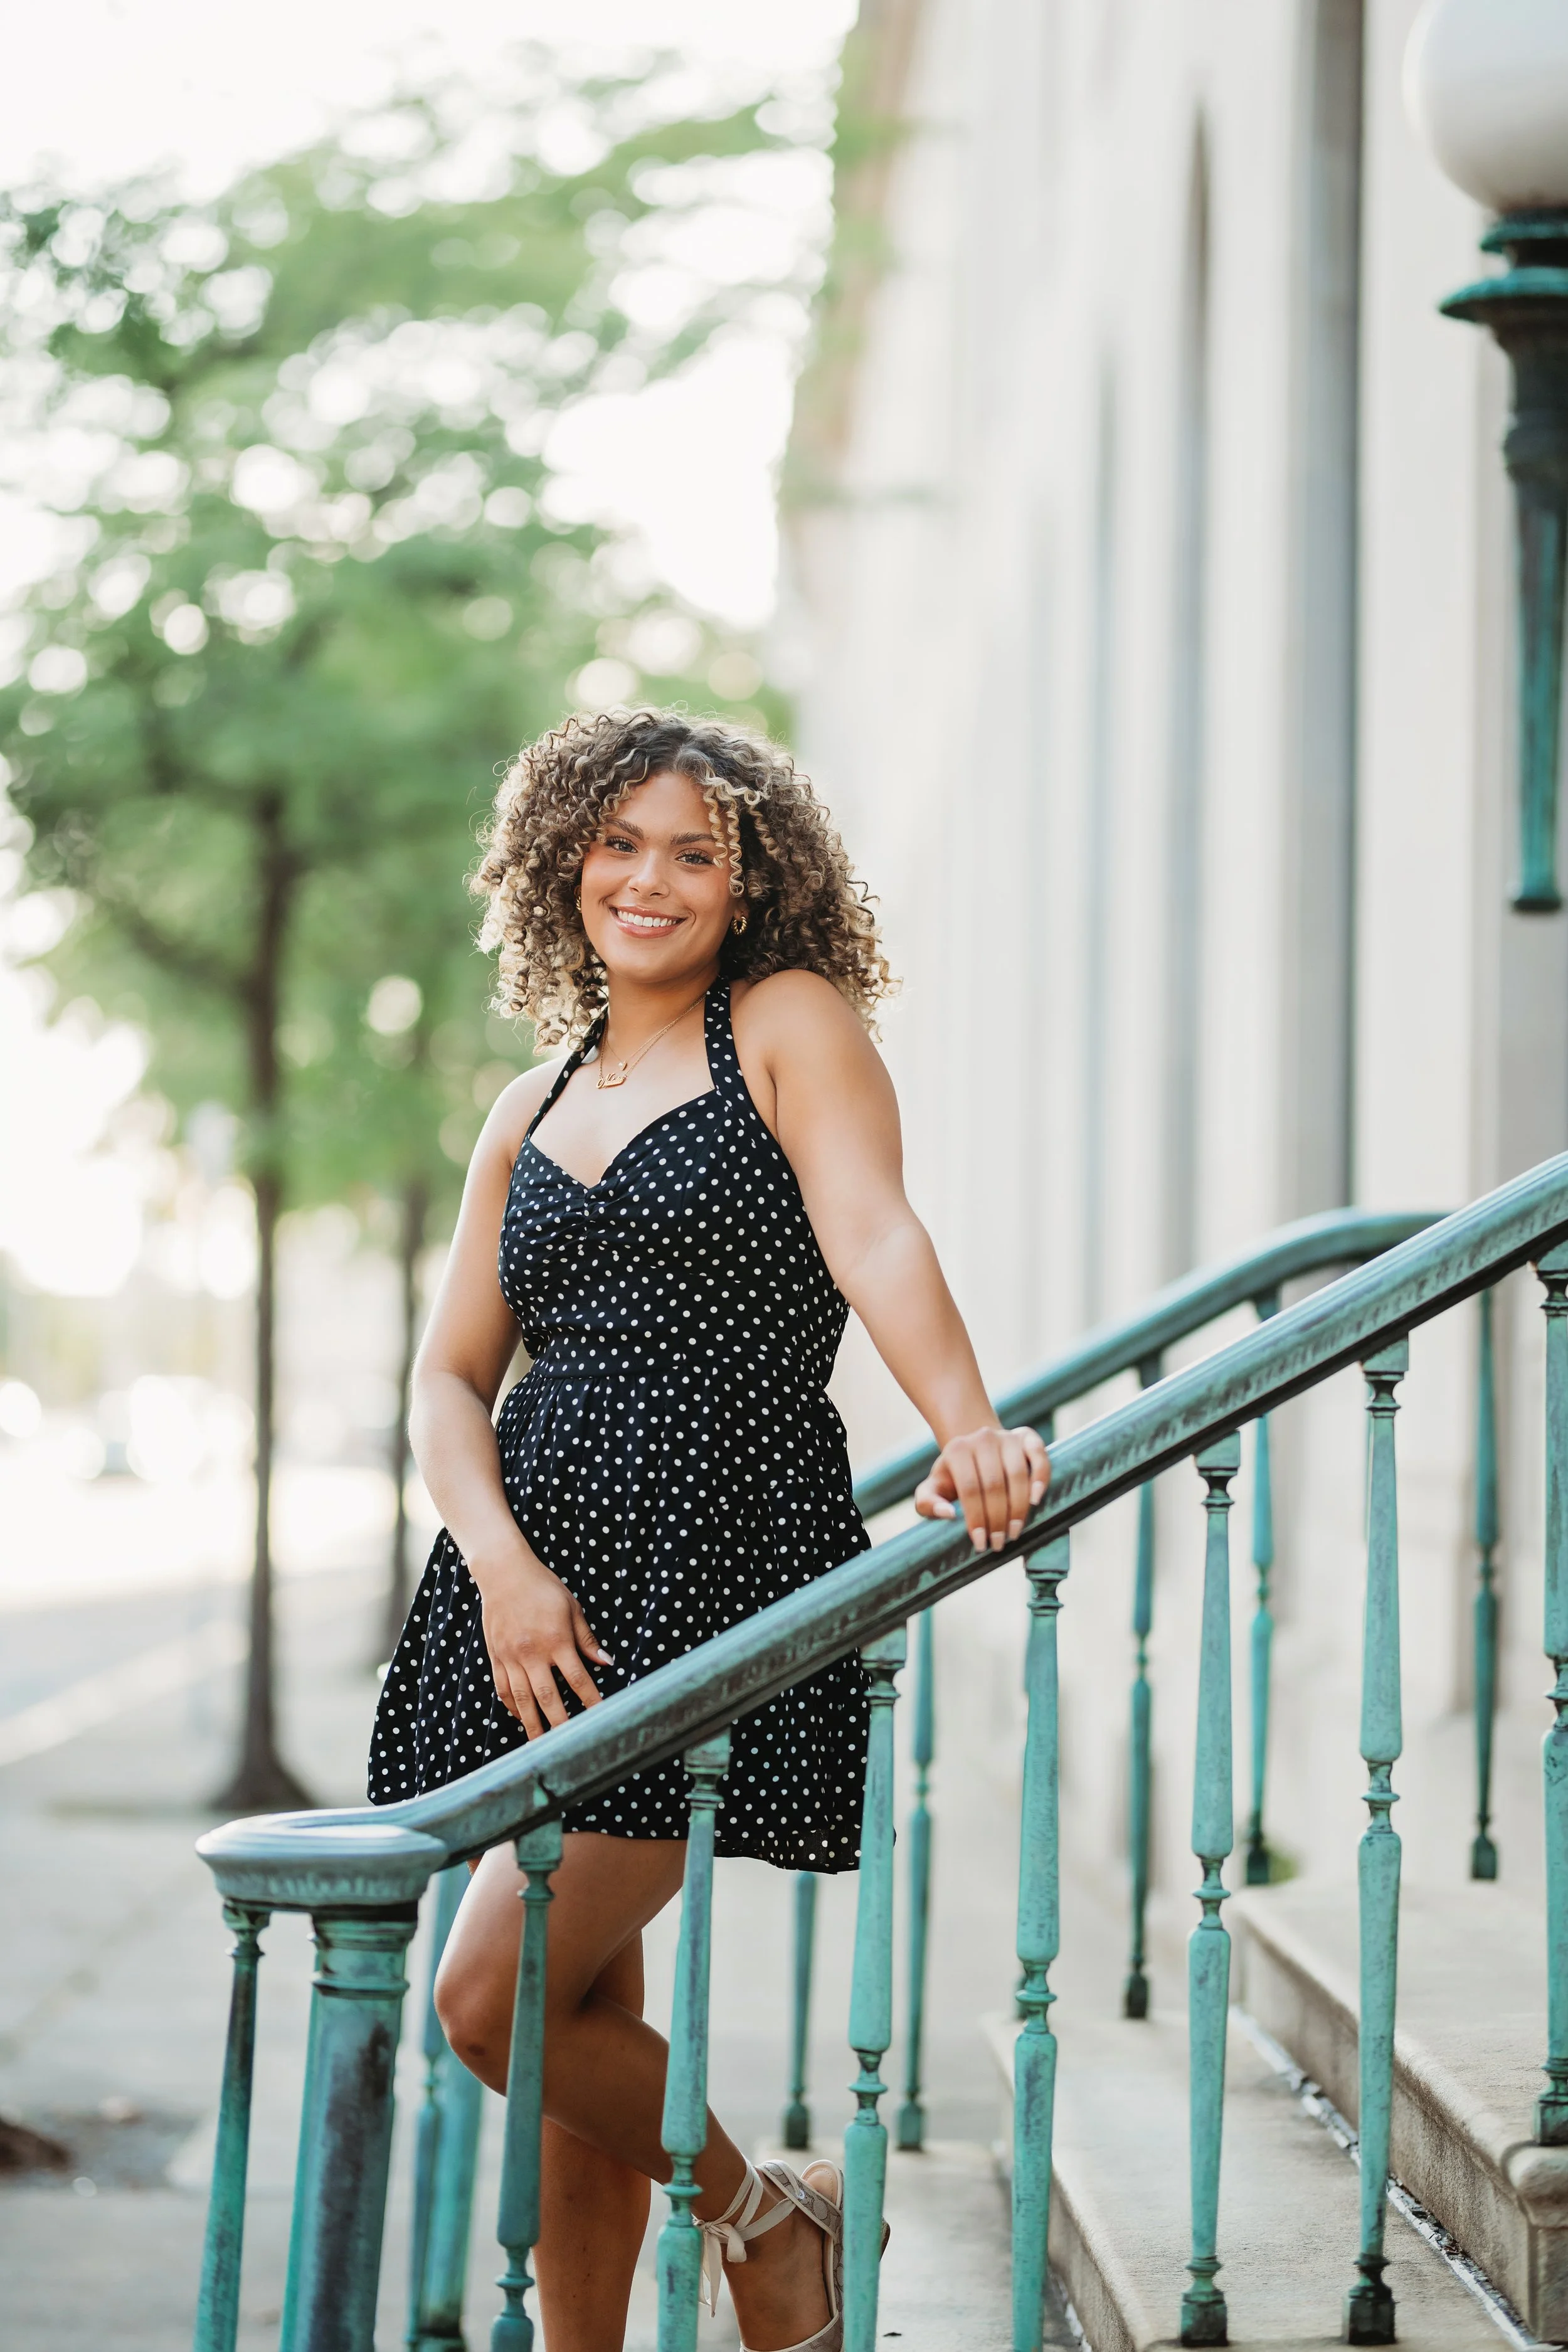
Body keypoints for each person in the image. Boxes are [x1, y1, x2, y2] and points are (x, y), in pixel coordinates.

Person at [369, 709, 1049, 2352]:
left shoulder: (787, 1021)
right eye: (617, 844)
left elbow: (874, 1234)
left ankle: (765, 2221)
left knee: (492, 1997)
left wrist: (967, 1418)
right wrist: (504, 1570)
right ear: (562, 862)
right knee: (577, 2004)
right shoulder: (527, 1101)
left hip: (722, 1567)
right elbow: (448, 1381)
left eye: (693, 852)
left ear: (751, 885)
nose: (649, 880)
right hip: (536, 1604)